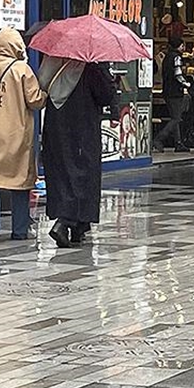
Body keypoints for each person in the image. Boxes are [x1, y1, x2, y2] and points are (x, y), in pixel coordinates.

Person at [0, 28, 46, 244]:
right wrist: (45, 94)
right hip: (16, 131)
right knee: (20, 178)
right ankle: (20, 229)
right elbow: (34, 100)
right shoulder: (22, 69)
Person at [43, 62, 118, 248]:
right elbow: (105, 96)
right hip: (82, 127)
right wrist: (109, 77)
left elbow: (41, 84)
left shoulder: (53, 62)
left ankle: (79, 226)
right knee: (83, 172)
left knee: (62, 172)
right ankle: (65, 222)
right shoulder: (91, 67)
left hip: (55, 125)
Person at [156, 37, 191, 153]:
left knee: (174, 117)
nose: (183, 48)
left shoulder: (167, 57)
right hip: (175, 91)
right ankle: (159, 139)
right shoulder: (176, 57)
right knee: (176, 118)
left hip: (167, 90)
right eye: (182, 45)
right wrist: (187, 84)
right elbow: (178, 74)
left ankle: (178, 142)